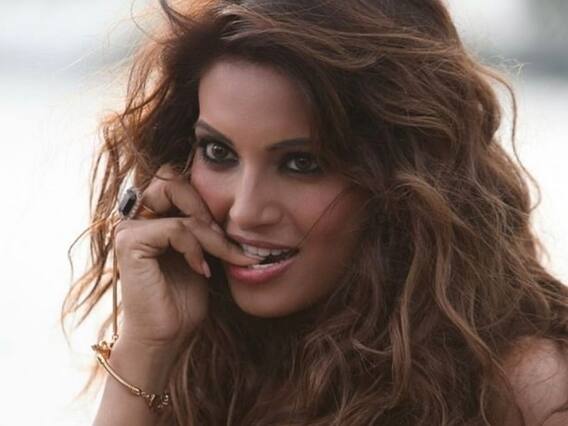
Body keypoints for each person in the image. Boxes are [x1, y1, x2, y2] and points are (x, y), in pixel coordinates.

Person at [62, 0, 568, 425]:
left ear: (404, 180)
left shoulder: (527, 384)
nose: (246, 209)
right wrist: (147, 348)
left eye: (302, 163)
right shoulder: (211, 360)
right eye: (219, 152)